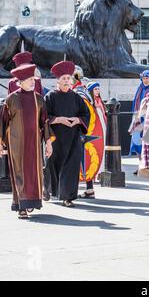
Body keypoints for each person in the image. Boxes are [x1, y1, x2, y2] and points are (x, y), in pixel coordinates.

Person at [0, 64, 54, 219]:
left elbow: (45, 123)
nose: (33, 81)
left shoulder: (39, 100)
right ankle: (21, 206)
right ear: (20, 82)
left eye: (33, 79)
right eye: (29, 79)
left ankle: (30, 202)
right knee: (19, 172)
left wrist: (48, 144)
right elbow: (2, 122)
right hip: (16, 144)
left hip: (34, 145)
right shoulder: (11, 99)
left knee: (34, 173)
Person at [44, 61, 90, 207]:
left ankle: (67, 197)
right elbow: (44, 116)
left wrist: (77, 120)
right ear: (58, 81)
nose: (66, 81)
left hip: (73, 138)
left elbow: (85, 114)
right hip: (55, 137)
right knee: (52, 165)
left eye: (68, 79)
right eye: (63, 79)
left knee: (71, 166)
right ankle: (49, 189)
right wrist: (59, 119)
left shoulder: (76, 97)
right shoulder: (50, 97)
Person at [80, 82, 107, 198]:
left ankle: (88, 189)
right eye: (95, 89)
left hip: (88, 133)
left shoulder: (89, 100)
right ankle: (89, 188)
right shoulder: (87, 99)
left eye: (98, 89)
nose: (97, 91)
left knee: (86, 159)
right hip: (89, 133)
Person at [128, 70, 149, 174]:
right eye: (143, 78)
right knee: (136, 142)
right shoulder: (139, 88)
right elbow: (136, 102)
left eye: (147, 78)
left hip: (148, 117)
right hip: (137, 117)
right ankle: (141, 165)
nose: (145, 80)